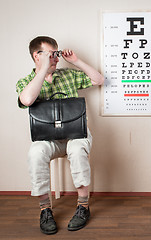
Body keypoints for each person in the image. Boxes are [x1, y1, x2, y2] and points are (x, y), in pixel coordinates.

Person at [16, 36, 104, 234]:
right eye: (50, 55)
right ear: (36, 56)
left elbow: (99, 80)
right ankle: (45, 209)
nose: (56, 59)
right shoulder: (25, 82)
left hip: (75, 133)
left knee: (77, 148)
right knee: (36, 153)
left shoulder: (68, 75)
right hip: (48, 139)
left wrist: (76, 61)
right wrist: (42, 71)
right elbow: (28, 99)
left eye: (56, 54)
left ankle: (83, 206)